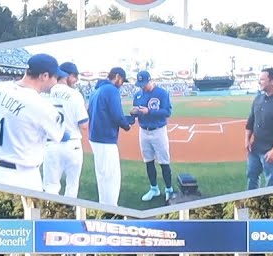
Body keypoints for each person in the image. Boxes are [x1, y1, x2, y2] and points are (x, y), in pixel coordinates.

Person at [0, 53, 67, 191]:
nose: (56, 82)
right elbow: (62, 135)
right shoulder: (42, 106)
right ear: (44, 76)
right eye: (55, 77)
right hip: (21, 178)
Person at [42, 61, 90, 197]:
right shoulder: (75, 95)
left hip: (51, 144)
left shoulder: (44, 93)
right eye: (74, 77)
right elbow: (84, 126)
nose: (75, 81)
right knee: (72, 187)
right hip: (72, 145)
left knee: (50, 188)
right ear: (67, 76)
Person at [87, 67, 133, 206]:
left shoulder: (97, 90)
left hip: (95, 137)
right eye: (122, 80)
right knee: (112, 177)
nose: (122, 84)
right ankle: (112, 208)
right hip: (106, 138)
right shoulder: (111, 90)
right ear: (117, 76)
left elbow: (91, 111)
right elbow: (117, 115)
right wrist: (127, 125)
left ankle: (104, 204)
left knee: (102, 175)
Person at [130, 70, 174, 202]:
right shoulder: (137, 95)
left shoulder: (161, 93)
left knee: (164, 162)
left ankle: (169, 189)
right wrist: (134, 113)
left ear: (150, 80)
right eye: (140, 84)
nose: (142, 86)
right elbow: (137, 112)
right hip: (143, 131)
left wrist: (149, 111)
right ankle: (154, 188)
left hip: (158, 130)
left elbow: (167, 112)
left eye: (144, 83)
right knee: (148, 161)